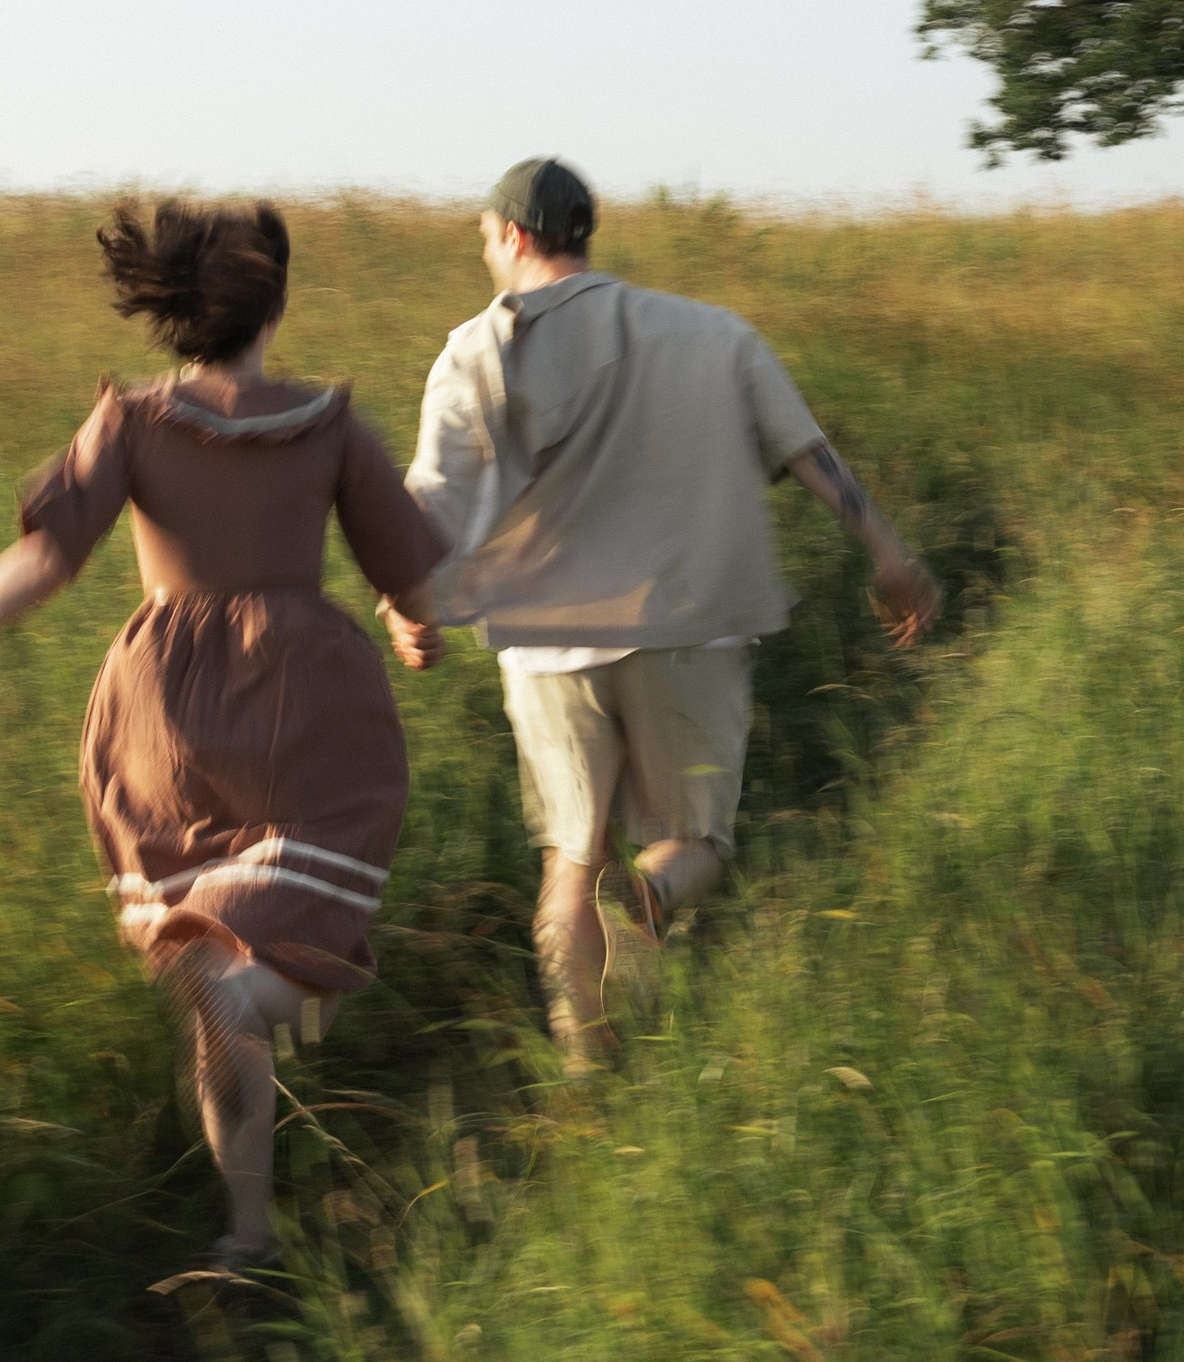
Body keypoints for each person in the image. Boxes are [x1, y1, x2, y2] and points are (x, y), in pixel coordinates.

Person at [0, 199, 444, 1272]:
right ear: (276, 300)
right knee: (302, 912)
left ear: (174, 312)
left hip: (166, 710)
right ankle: (263, 992)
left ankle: (246, 1228)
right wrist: (420, 623)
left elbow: (46, 559)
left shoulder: (133, 420)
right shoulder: (330, 424)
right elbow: (418, 576)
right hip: (309, 700)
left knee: (205, 960)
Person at [387, 157, 938, 1066]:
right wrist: (890, 554)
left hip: (544, 646)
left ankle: (584, 1067)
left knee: (571, 854)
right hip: (691, 628)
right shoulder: (714, 335)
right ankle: (653, 900)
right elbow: (807, 451)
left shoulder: (476, 348)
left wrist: (404, 601)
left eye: (485, 238)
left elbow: (431, 498)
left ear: (514, 236)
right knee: (693, 843)